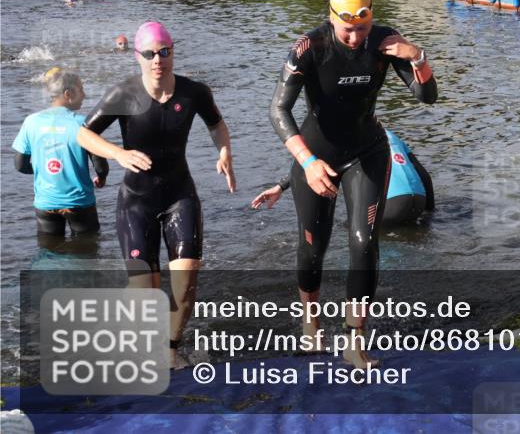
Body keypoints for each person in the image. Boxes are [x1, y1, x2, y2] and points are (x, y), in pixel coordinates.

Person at [269, 0, 437, 368]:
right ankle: (311, 326)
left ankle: (354, 341)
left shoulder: (384, 41)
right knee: (313, 247)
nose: (356, 37)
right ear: (332, 19)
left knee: (363, 242)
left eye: (363, 27)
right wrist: (307, 162)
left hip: (367, 152)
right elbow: (278, 110)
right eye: (348, 28)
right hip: (316, 156)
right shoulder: (310, 47)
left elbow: (427, 96)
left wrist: (417, 57)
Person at [77, 22, 236, 368]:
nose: (157, 60)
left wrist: (224, 151)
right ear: (137, 56)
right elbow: (84, 134)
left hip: (180, 195)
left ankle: (170, 348)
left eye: (164, 52)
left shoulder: (194, 92)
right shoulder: (123, 94)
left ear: (173, 52)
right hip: (137, 201)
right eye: (149, 54)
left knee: (186, 281)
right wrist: (117, 154)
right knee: (144, 291)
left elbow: (217, 125)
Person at [252, 129, 435, 227]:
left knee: (345, 230)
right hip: (418, 201)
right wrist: (429, 213)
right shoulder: (391, 135)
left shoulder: (350, 136)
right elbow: (425, 177)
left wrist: (279, 187)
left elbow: (311, 168)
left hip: (391, 205)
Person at [11, 67, 109, 238]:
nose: (84, 95)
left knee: (49, 248)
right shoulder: (83, 124)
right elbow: (100, 164)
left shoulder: (31, 122)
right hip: (79, 203)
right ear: (68, 94)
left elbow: (20, 165)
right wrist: (102, 177)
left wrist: (43, 170)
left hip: (46, 203)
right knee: (87, 247)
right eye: (81, 89)